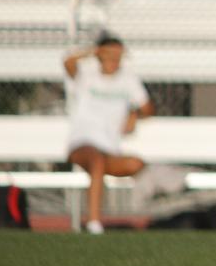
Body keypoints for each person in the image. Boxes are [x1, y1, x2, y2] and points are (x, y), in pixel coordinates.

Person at [60, 33, 152, 234]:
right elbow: (68, 61)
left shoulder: (128, 80)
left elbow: (147, 108)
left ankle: (158, 219)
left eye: (117, 56)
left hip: (109, 148)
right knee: (97, 161)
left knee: (135, 164)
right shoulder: (86, 75)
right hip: (82, 143)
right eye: (109, 54)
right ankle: (94, 224)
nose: (114, 60)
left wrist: (133, 113)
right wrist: (93, 51)